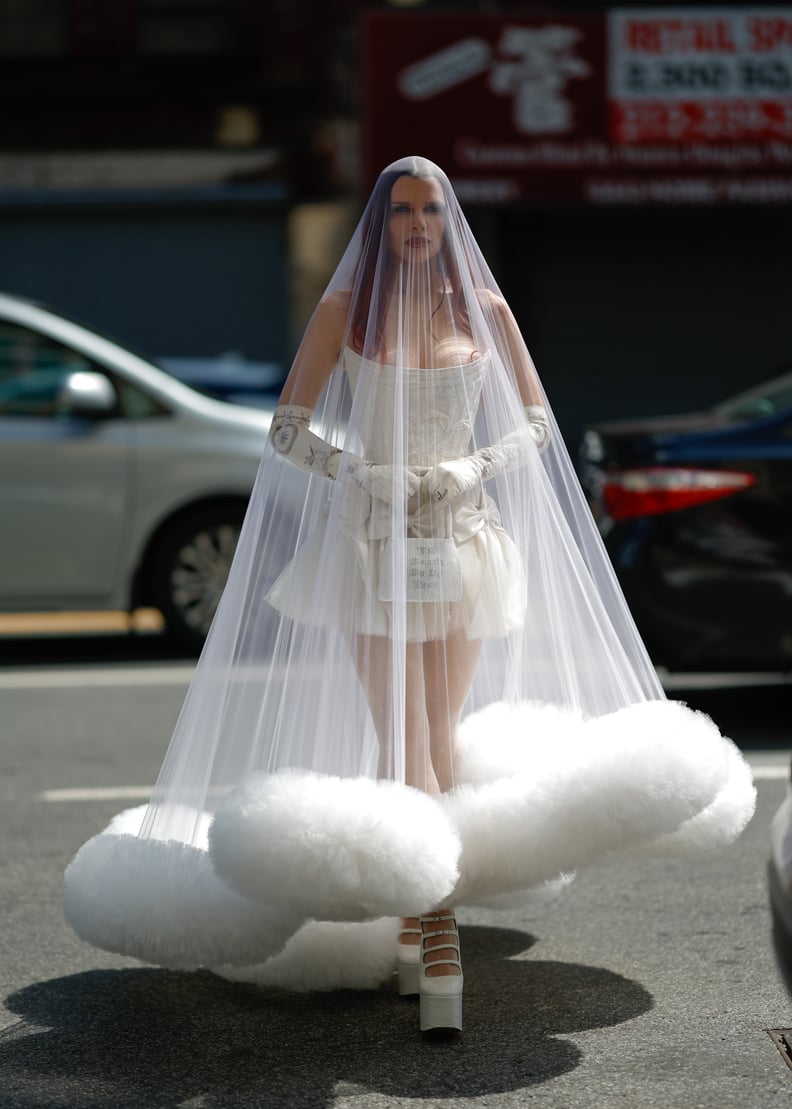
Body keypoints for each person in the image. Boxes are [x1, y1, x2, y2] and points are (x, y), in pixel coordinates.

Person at [64, 157, 755, 1036]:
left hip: (461, 543)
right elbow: (287, 426)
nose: (418, 224)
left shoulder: (486, 312)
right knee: (400, 732)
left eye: (431, 209)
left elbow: (537, 424)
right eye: (402, 210)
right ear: (382, 224)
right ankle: (434, 930)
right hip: (368, 544)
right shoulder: (346, 312)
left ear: (449, 219)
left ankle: (422, 913)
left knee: (438, 732)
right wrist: (357, 468)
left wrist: (472, 464)